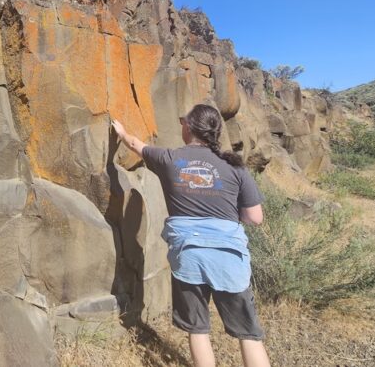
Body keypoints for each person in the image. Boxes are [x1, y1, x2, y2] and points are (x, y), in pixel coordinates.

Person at [112, 104, 271, 367]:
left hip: (189, 257)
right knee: (249, 335)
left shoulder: (169, 158)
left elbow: (135, 144)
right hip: (229, 259)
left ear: (189, 127)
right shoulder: (235, 166)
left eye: (183, 121)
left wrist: (121, 131)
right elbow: (255, 218)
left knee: (198, 329)